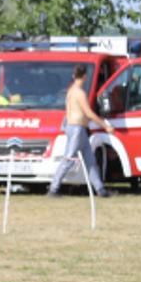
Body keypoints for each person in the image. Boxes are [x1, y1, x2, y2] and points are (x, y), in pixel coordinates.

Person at [47, 65, 113, 198]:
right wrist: (105, 125)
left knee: (90, 160)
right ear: (84, 77)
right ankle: (54, 189)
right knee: (69, 159)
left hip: (76, 128)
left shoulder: (70, 91)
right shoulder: (80, 93)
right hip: (77, 129)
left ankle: (100, 189)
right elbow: (88, 112)